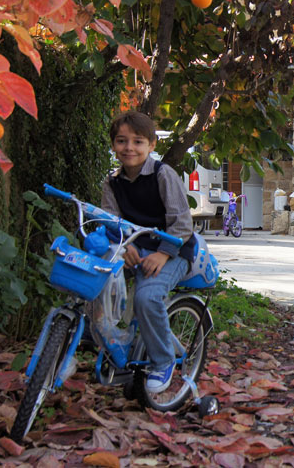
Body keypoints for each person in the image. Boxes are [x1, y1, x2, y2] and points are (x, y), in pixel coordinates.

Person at [101, 111, 195, 394]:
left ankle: (163, 361)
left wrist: (164, 253)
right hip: (135, 248)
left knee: (147, 296)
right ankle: (115, 342)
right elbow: (109, 219)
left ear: (152, 145)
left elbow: (181, 223)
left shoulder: (162, 174)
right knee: (96, 278)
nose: (129, 148)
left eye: (138, 141)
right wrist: (125, 245)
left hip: (174, 251)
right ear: (113, 144)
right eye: (121, 141)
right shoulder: (112, 181)